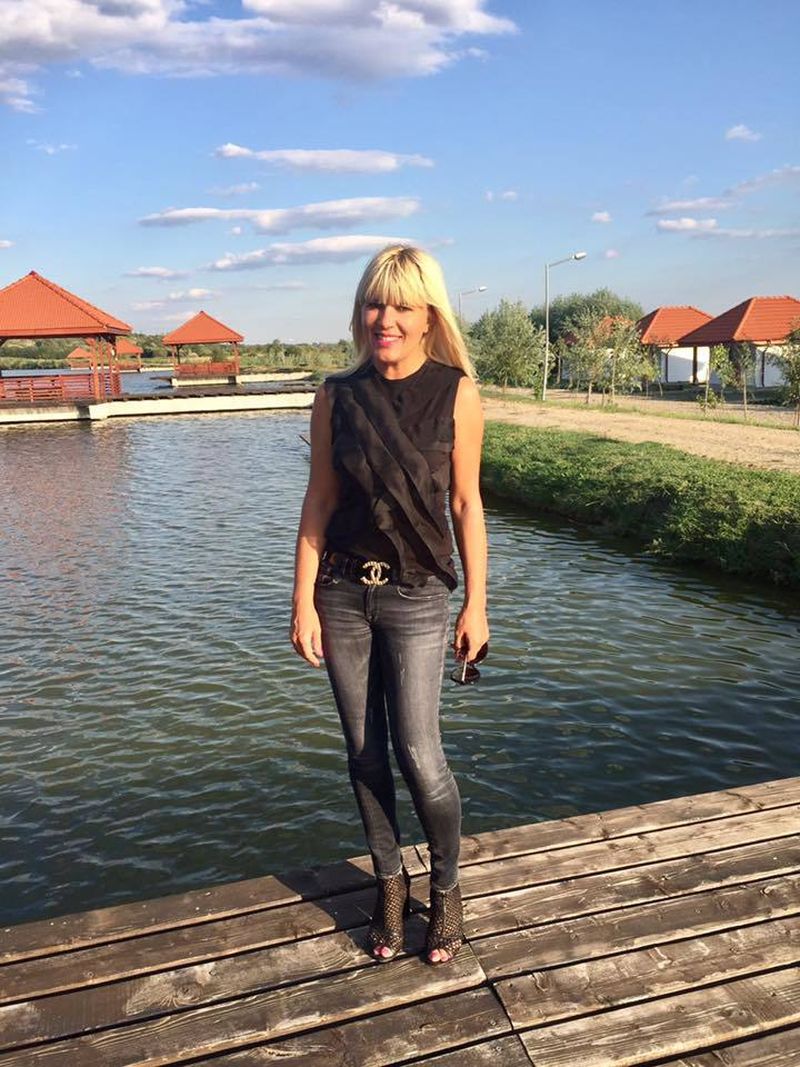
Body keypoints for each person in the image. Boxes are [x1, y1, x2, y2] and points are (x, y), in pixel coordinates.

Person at [291, 244, 488, 965]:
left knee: (419, 753)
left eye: (403, 305)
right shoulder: (335, 395)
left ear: (429, 315)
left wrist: (477, 605)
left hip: (419, 595)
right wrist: (302, 600)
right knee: (364, 753)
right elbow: (320, 499)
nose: (387, 319)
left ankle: (447, 889)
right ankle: (390, 885)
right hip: (341, 593)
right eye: (376, 303)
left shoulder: (456, 393)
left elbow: (465, 504)